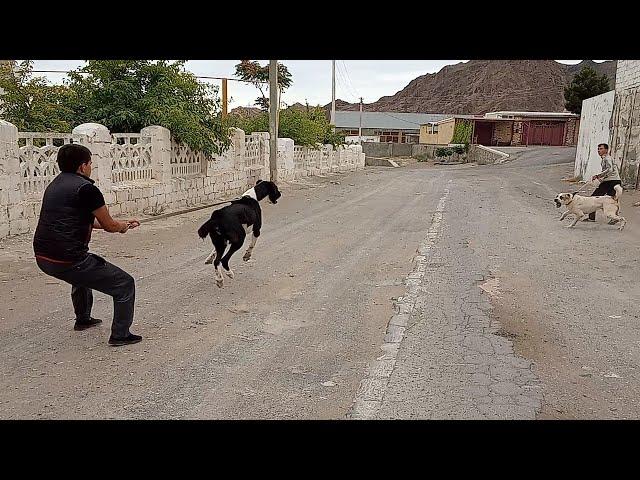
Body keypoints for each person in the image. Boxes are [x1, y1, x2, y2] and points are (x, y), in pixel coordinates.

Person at [33, 143, 142, 346]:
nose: (91, 167)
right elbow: (109, 225)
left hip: (43, 257)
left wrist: (122, 223)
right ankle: (120, 335)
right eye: (90, 163)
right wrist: (121, 227)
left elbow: (85, 220)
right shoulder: (87, 189)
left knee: (81, 275)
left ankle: (83, 319)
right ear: (82, 166)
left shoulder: (54, 185)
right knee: (125, 284)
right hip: (69, 259)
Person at [585, 143, 622, 222]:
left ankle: (591, 217)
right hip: (614, 180)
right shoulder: (605, 159)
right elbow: (610, 172)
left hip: (610, 182)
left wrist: (598, 175)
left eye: (601, 149)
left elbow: (610, 169)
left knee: (593, 197)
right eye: (598, 149)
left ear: (606, 150)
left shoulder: (607, 158)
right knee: (613, 199)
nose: (599, 151)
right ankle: (615, 217)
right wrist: (601, 178)